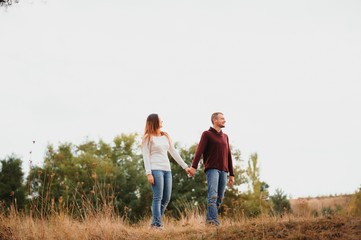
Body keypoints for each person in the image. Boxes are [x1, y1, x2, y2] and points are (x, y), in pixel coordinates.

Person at [141, 113, 191, 230]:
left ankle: (154, 222)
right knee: (158, 197)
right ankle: (158, 224)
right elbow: (145, 156)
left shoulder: (166, 136)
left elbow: (173, 152)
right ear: (154, 122)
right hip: (155, 169)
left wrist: (185, 167)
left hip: (167, 170)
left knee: (166, 198)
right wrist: (149, 173)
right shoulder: (148, 138)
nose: (162, 121)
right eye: (159, 120)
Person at [188, 112, 235, 226]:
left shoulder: (225, 137)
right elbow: (199, 151)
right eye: (222, 118)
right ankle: (213, 222)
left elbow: (228, 155)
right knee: (212, 196)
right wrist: (194, 167)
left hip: (224, 170)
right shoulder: (207, 134)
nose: (224, 120)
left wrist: (231, 174)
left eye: (224, 118)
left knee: (220, 197)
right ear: (215, 120)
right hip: (212, 169)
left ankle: (209, 220)